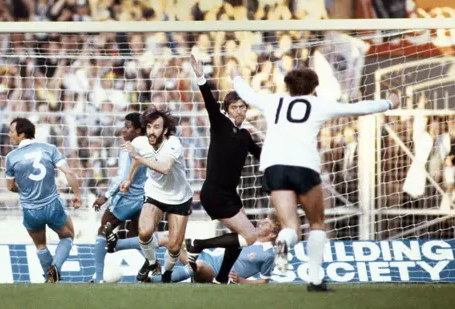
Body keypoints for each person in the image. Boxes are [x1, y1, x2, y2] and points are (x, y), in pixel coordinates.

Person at [232, 66, 399, 292]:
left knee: (290, 226)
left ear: (287, 87)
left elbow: (247, 93)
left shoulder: (273, 102)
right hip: (304, 165)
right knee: (317, 223)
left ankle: (282, 244)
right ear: (314, 88)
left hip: (275, 166)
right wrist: (389, 102)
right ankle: (314, 279)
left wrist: (236, 75)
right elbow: (358, 108)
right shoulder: (319, 104)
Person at [185, 53, 262, 284]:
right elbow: (209, 102)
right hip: (215, 193)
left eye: (242, 107)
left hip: (230, 194)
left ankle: (221, 278)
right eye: (235, 106)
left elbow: (261, 155)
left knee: (241, 236)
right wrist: (200, 76)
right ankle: (198, 244)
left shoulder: (245, 135)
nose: (239, 110)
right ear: (227, 109)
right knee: (250, 236)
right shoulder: (220, 124)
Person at [120, 106, 193, 283]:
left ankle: (167, 273)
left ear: (165, 129)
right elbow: (138, 160)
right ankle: (153, 263)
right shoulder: (140, 142)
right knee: (144, 232)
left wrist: (137, 157)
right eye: (150, 127)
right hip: (154, 194)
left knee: (174, 247)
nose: (152, 131)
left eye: (157, 127)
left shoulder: (173, 142)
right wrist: (129, 178)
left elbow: (165, 168)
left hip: (179, 197)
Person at [5, 117, 82, 282]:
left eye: (11, 131)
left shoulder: (11, 157)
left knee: (40, 245)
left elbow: (10, 186)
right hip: (52, 204)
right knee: (67, 236)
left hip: (30, 209)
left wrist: (25, 191)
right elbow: (69, 173)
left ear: (22, 134)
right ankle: (56, 267)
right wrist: (77, 196)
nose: (9, 134)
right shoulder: (49, 148)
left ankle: (50, 277)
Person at [107, 214, 280, 284]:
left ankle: (151, 280)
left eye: (266, 223)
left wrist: (241, 280)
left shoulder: (268, 253)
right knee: (169, 237)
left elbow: (263, 281)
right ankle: (116, 245)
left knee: (200, 265)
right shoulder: (246, 235)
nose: (260, 223)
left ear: (273, 234)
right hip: (210, 256)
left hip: (218, 272)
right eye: (263, 220)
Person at [91, 113, 148, 283]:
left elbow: (122, 178)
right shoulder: (146, 145)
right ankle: (153, 265)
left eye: (129, 126)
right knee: (137, 235)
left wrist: (106, 196)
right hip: (143, 198)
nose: (124, 129)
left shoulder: (130, 147)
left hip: (126, 199)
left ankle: (99, 278)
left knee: (103, 231)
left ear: (138, 130)